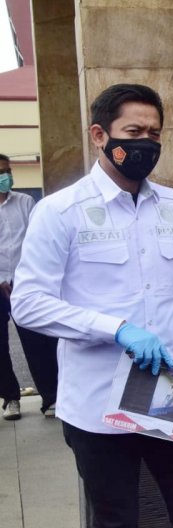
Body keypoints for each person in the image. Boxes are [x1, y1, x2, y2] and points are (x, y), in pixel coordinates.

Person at [10, 83, 173, 528]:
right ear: (99, 135)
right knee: (115, 522)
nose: (146, 143)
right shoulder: (60, 211)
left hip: (171, 393)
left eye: (154, 133)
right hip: (96, 401)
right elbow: (28, 304)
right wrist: (116, 329)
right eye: (134, 131)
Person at [0, 154, 59, 420]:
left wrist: (23, 278)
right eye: (2, 172)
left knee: (39, 341)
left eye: (7, 171)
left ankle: (52, 398)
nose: (6, 176)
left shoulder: (25, 202)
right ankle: (11, 397)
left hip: (25, 284)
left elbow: (37, 242)